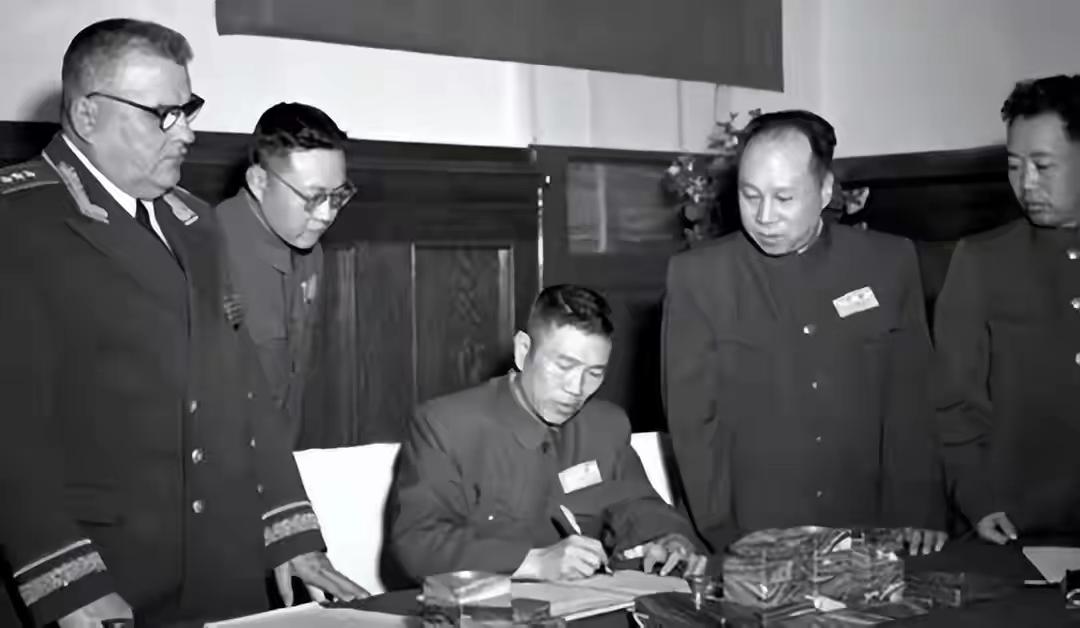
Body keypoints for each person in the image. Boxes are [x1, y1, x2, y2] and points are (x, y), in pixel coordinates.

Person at [0, 19, 366, 628]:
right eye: (164, 115)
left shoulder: (194, 222)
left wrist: (290, 533)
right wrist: (63, 581)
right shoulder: (19, 222)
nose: (188, 132)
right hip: (104, 573)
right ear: (88, 115)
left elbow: (245, 389)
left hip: (221, 567)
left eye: (188, 110)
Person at [662, 110, 946, 555]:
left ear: (826, 190)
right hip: (752, 533)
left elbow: (910, 399)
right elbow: (694, 427)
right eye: (750, 195)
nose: (764, 216)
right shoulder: (699, 278)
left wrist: (919, 510)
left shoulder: (887, 263)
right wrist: (725, 536)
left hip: (871, 531)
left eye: (784, 198)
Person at [390, 285, 707, 582]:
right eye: (563, 366)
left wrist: (669, 540)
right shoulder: (446, 425)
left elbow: (636, 505)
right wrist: (534, 562)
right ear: (523, 350)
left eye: (594, 373)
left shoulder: (606, 425)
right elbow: (418, 543)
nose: (576, 389)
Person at [935, 75, 1080, 544]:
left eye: (1043, 165)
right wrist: (978, 499)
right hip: (1016, 524)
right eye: (1015, 166)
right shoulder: (982, 260)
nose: (1026, 183)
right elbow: (953, 404)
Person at [215, 102, 354, 448]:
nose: (326, 215)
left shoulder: (308, 247)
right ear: (259, 181)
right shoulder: (206, 251)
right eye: (313, 197)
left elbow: (291, 382)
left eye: (338, 196)